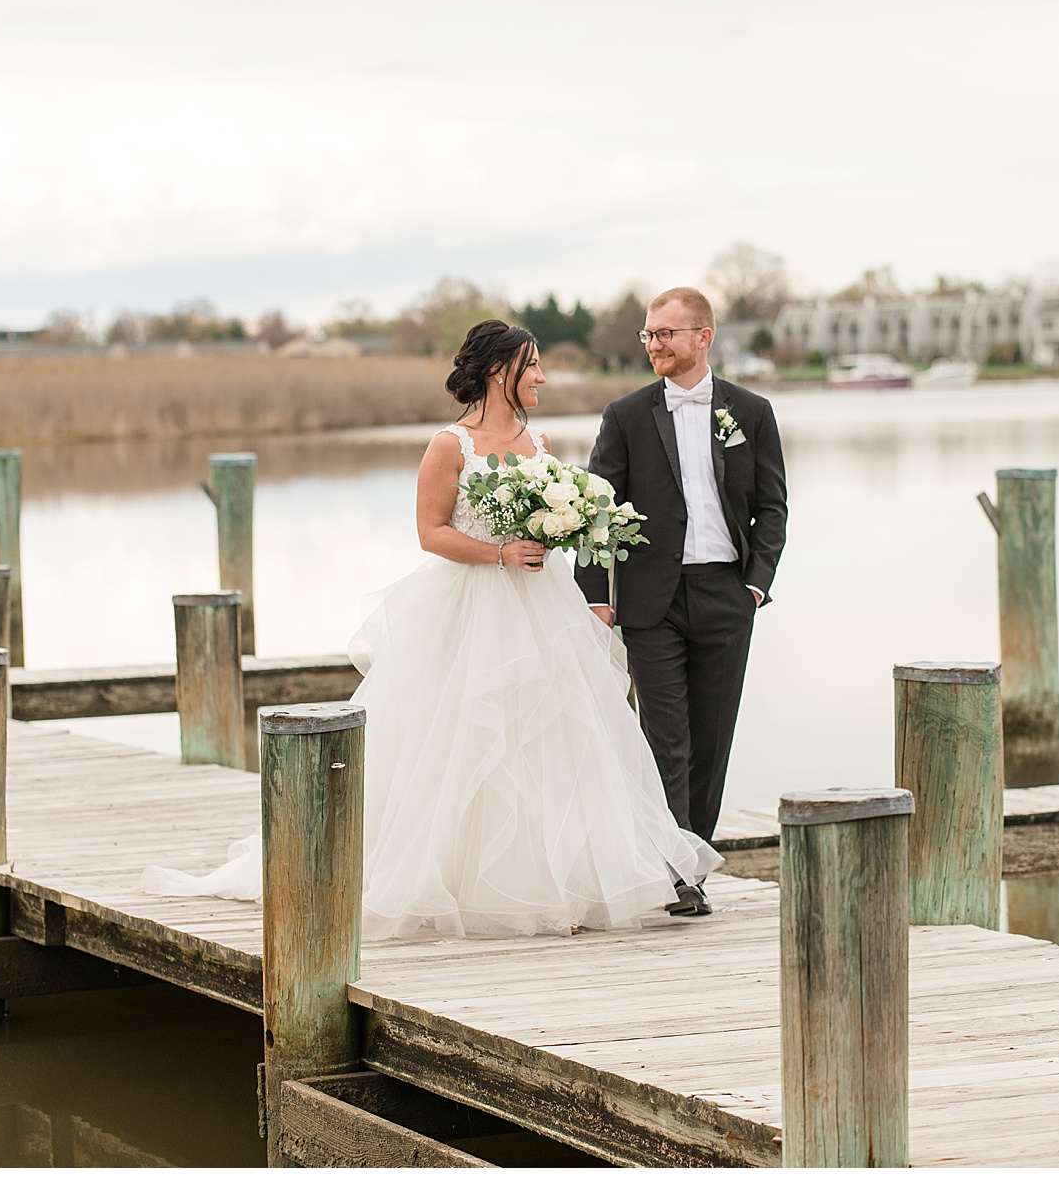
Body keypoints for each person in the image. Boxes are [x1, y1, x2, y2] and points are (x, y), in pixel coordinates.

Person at [145, 319, 719, 938]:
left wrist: (562, 532)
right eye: (532, 366)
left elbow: (547, 526)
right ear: (501, 372)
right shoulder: (451, 444)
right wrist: (499, 554)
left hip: (540, 605)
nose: (543, 377)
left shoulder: (538, 442)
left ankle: (557, 884)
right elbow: (431, 532)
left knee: (553, 737)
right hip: (470, 605)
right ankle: (456, 881)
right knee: (465, 737)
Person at [573, 287, 787, 917]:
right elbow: (594, 512)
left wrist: (755, 582)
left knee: (711, 739)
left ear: (703, 337)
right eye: (648, 334)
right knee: (666, 737)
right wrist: (595, 595)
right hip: (651, 602)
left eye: (666, 333)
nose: (654, 345)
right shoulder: (626, 416)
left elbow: (772, 507)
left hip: (727, 595)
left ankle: (692, 854)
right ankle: (675, 875)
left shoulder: (752, 412)